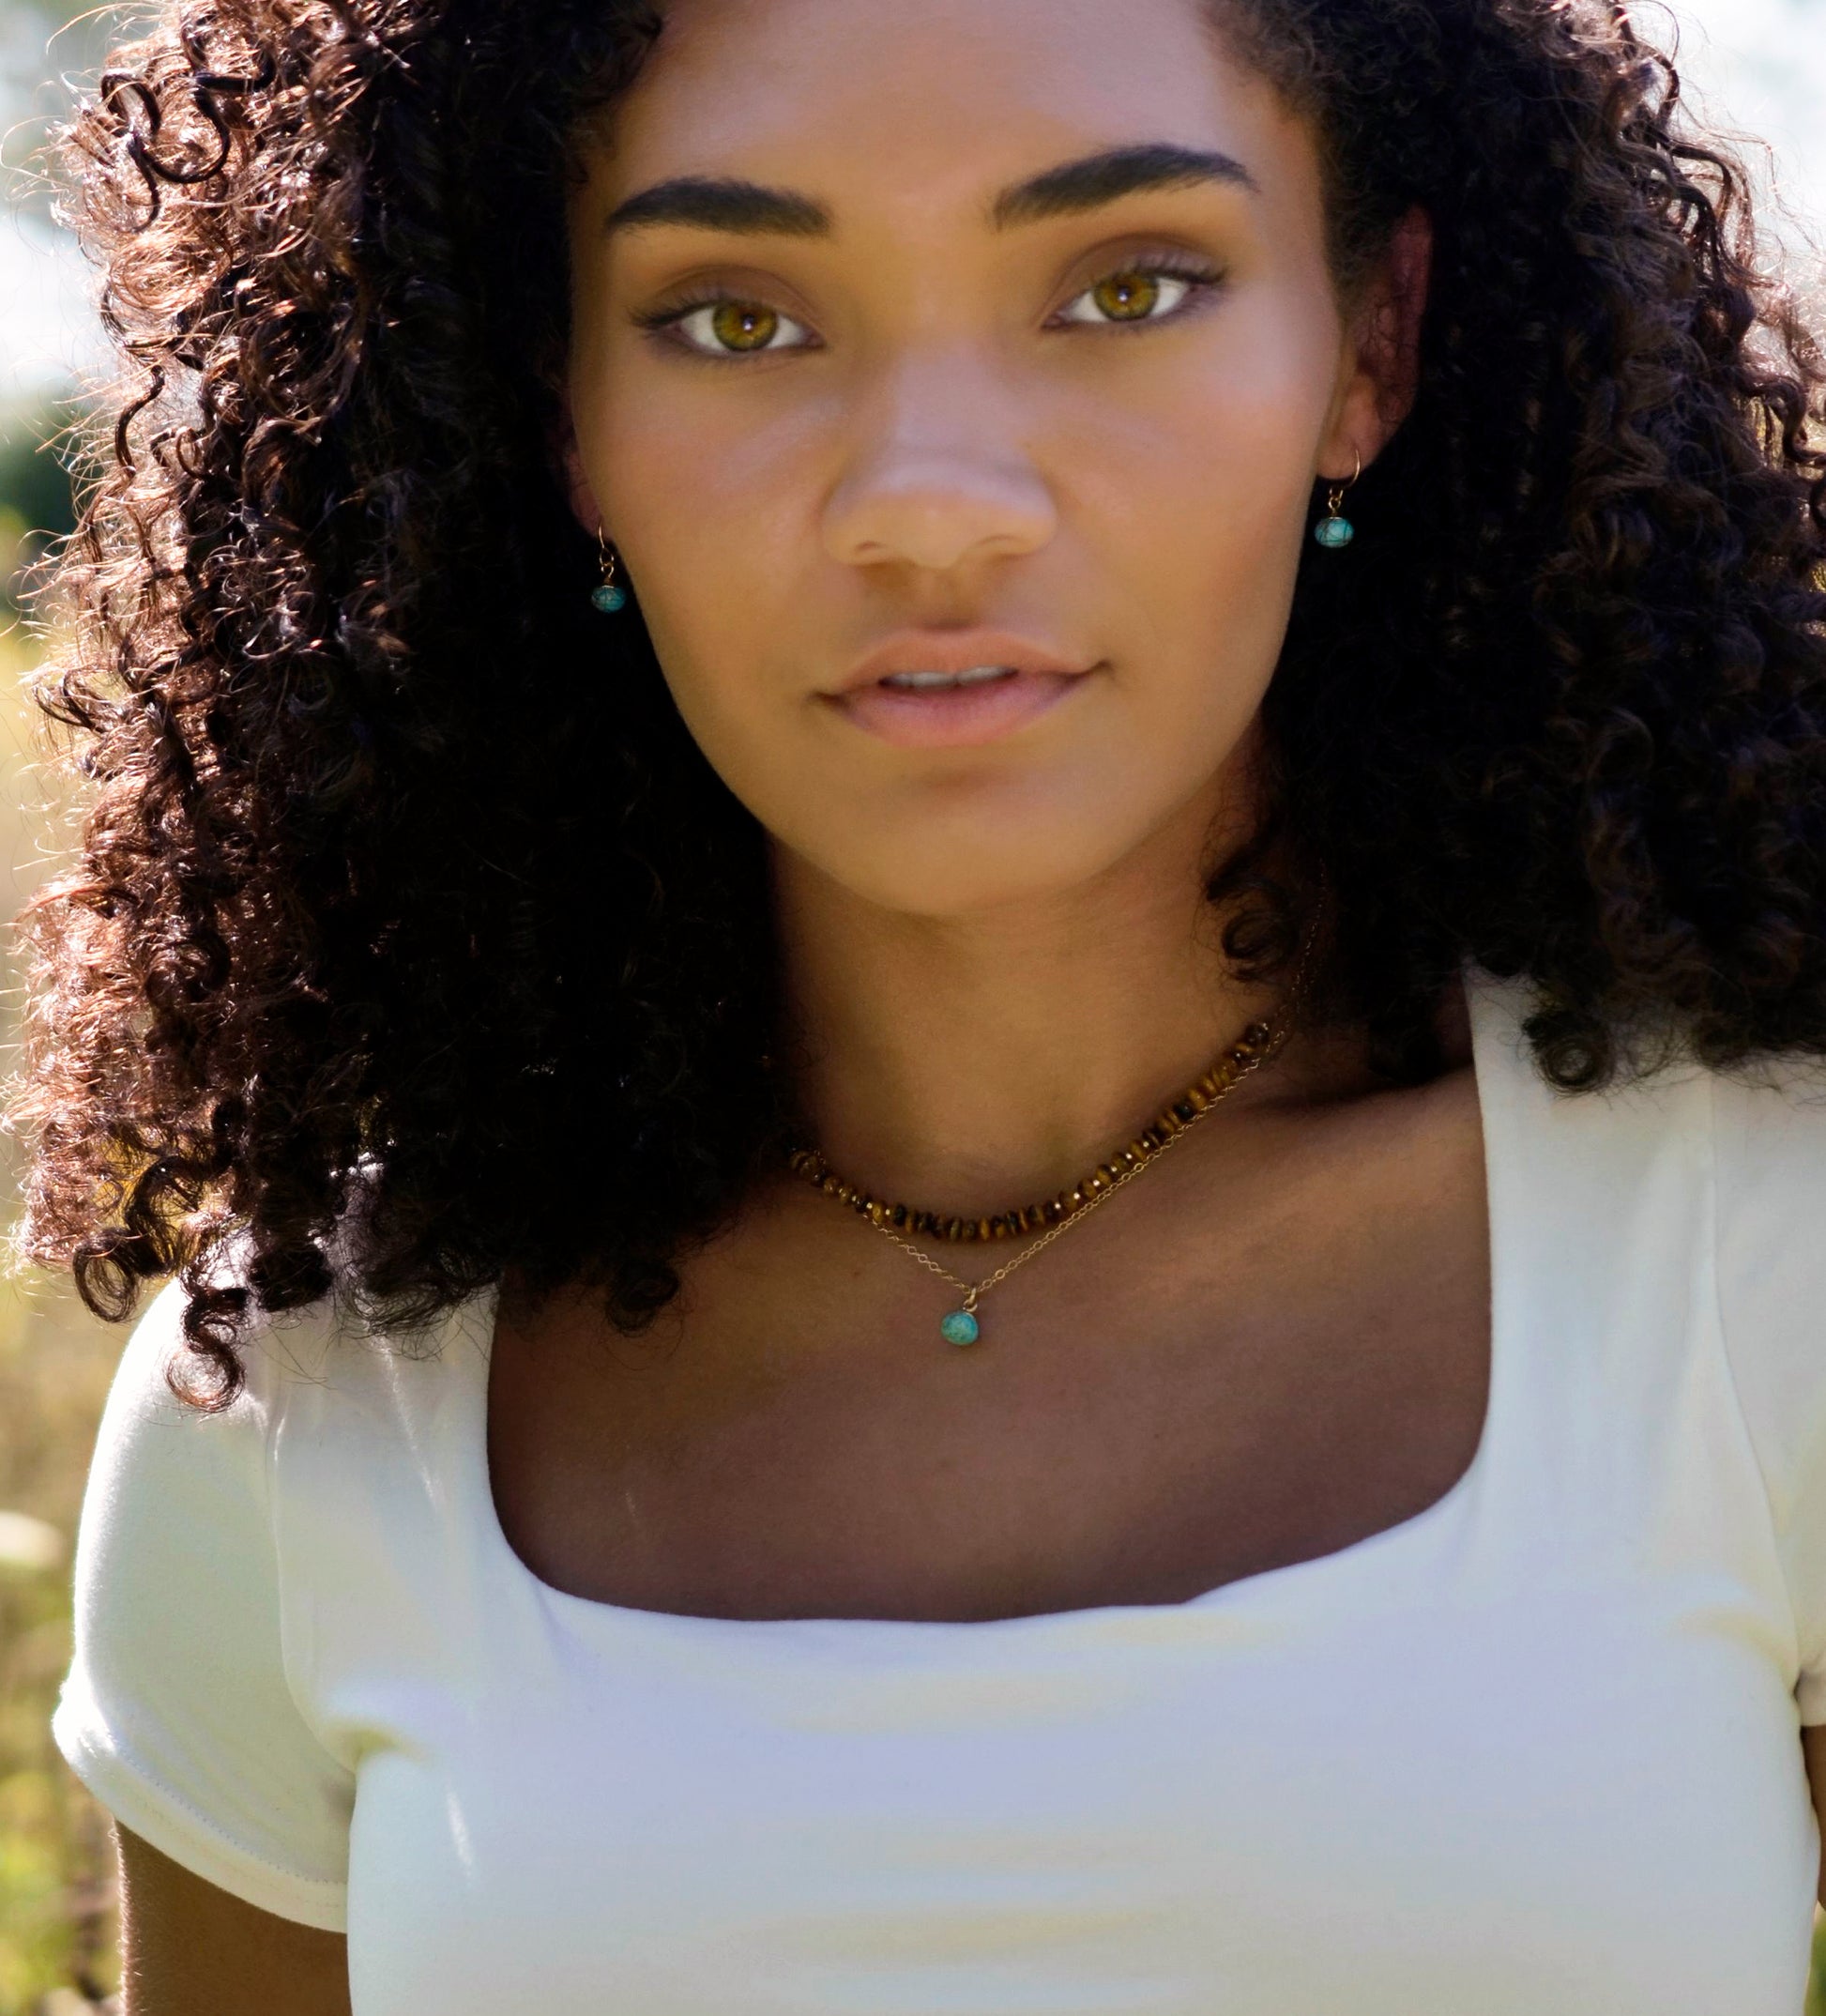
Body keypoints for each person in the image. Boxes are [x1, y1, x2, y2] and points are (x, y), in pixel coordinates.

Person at [23, 0, 1826, 2007]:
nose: (930, 505)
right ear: (556, 413)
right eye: (734, 319)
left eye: (1126, 285)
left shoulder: (1759, 1247)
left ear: (1369, 345)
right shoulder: (301, 1390)